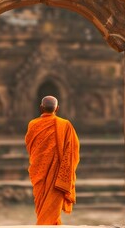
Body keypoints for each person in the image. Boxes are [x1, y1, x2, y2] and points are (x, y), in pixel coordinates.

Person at [25, 96, 80, 225]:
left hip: (39, 170)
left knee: (42, 203)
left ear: (40, 108)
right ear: (57, 108)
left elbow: (30, 146)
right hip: (57, 175)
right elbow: (74, 150)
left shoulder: (33, 124)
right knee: (49, 206)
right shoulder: (65, 125)